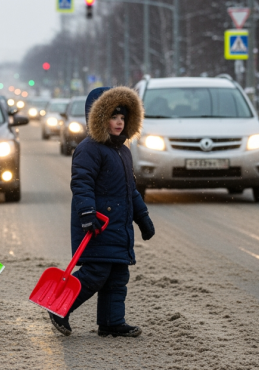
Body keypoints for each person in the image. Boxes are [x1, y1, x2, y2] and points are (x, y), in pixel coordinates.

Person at [48, 86, 155, 338]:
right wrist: (87, 212)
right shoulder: (89, 148)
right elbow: (81, 183)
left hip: (119, 228)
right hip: (98, 225)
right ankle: (59, 307)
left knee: (118, 275)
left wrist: (143, 218)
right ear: (98, 118)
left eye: (122, 118)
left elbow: (131, 191)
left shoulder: (123, 152)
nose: (118, 123)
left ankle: (111, 321)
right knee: (96, 273)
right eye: (112, 117)